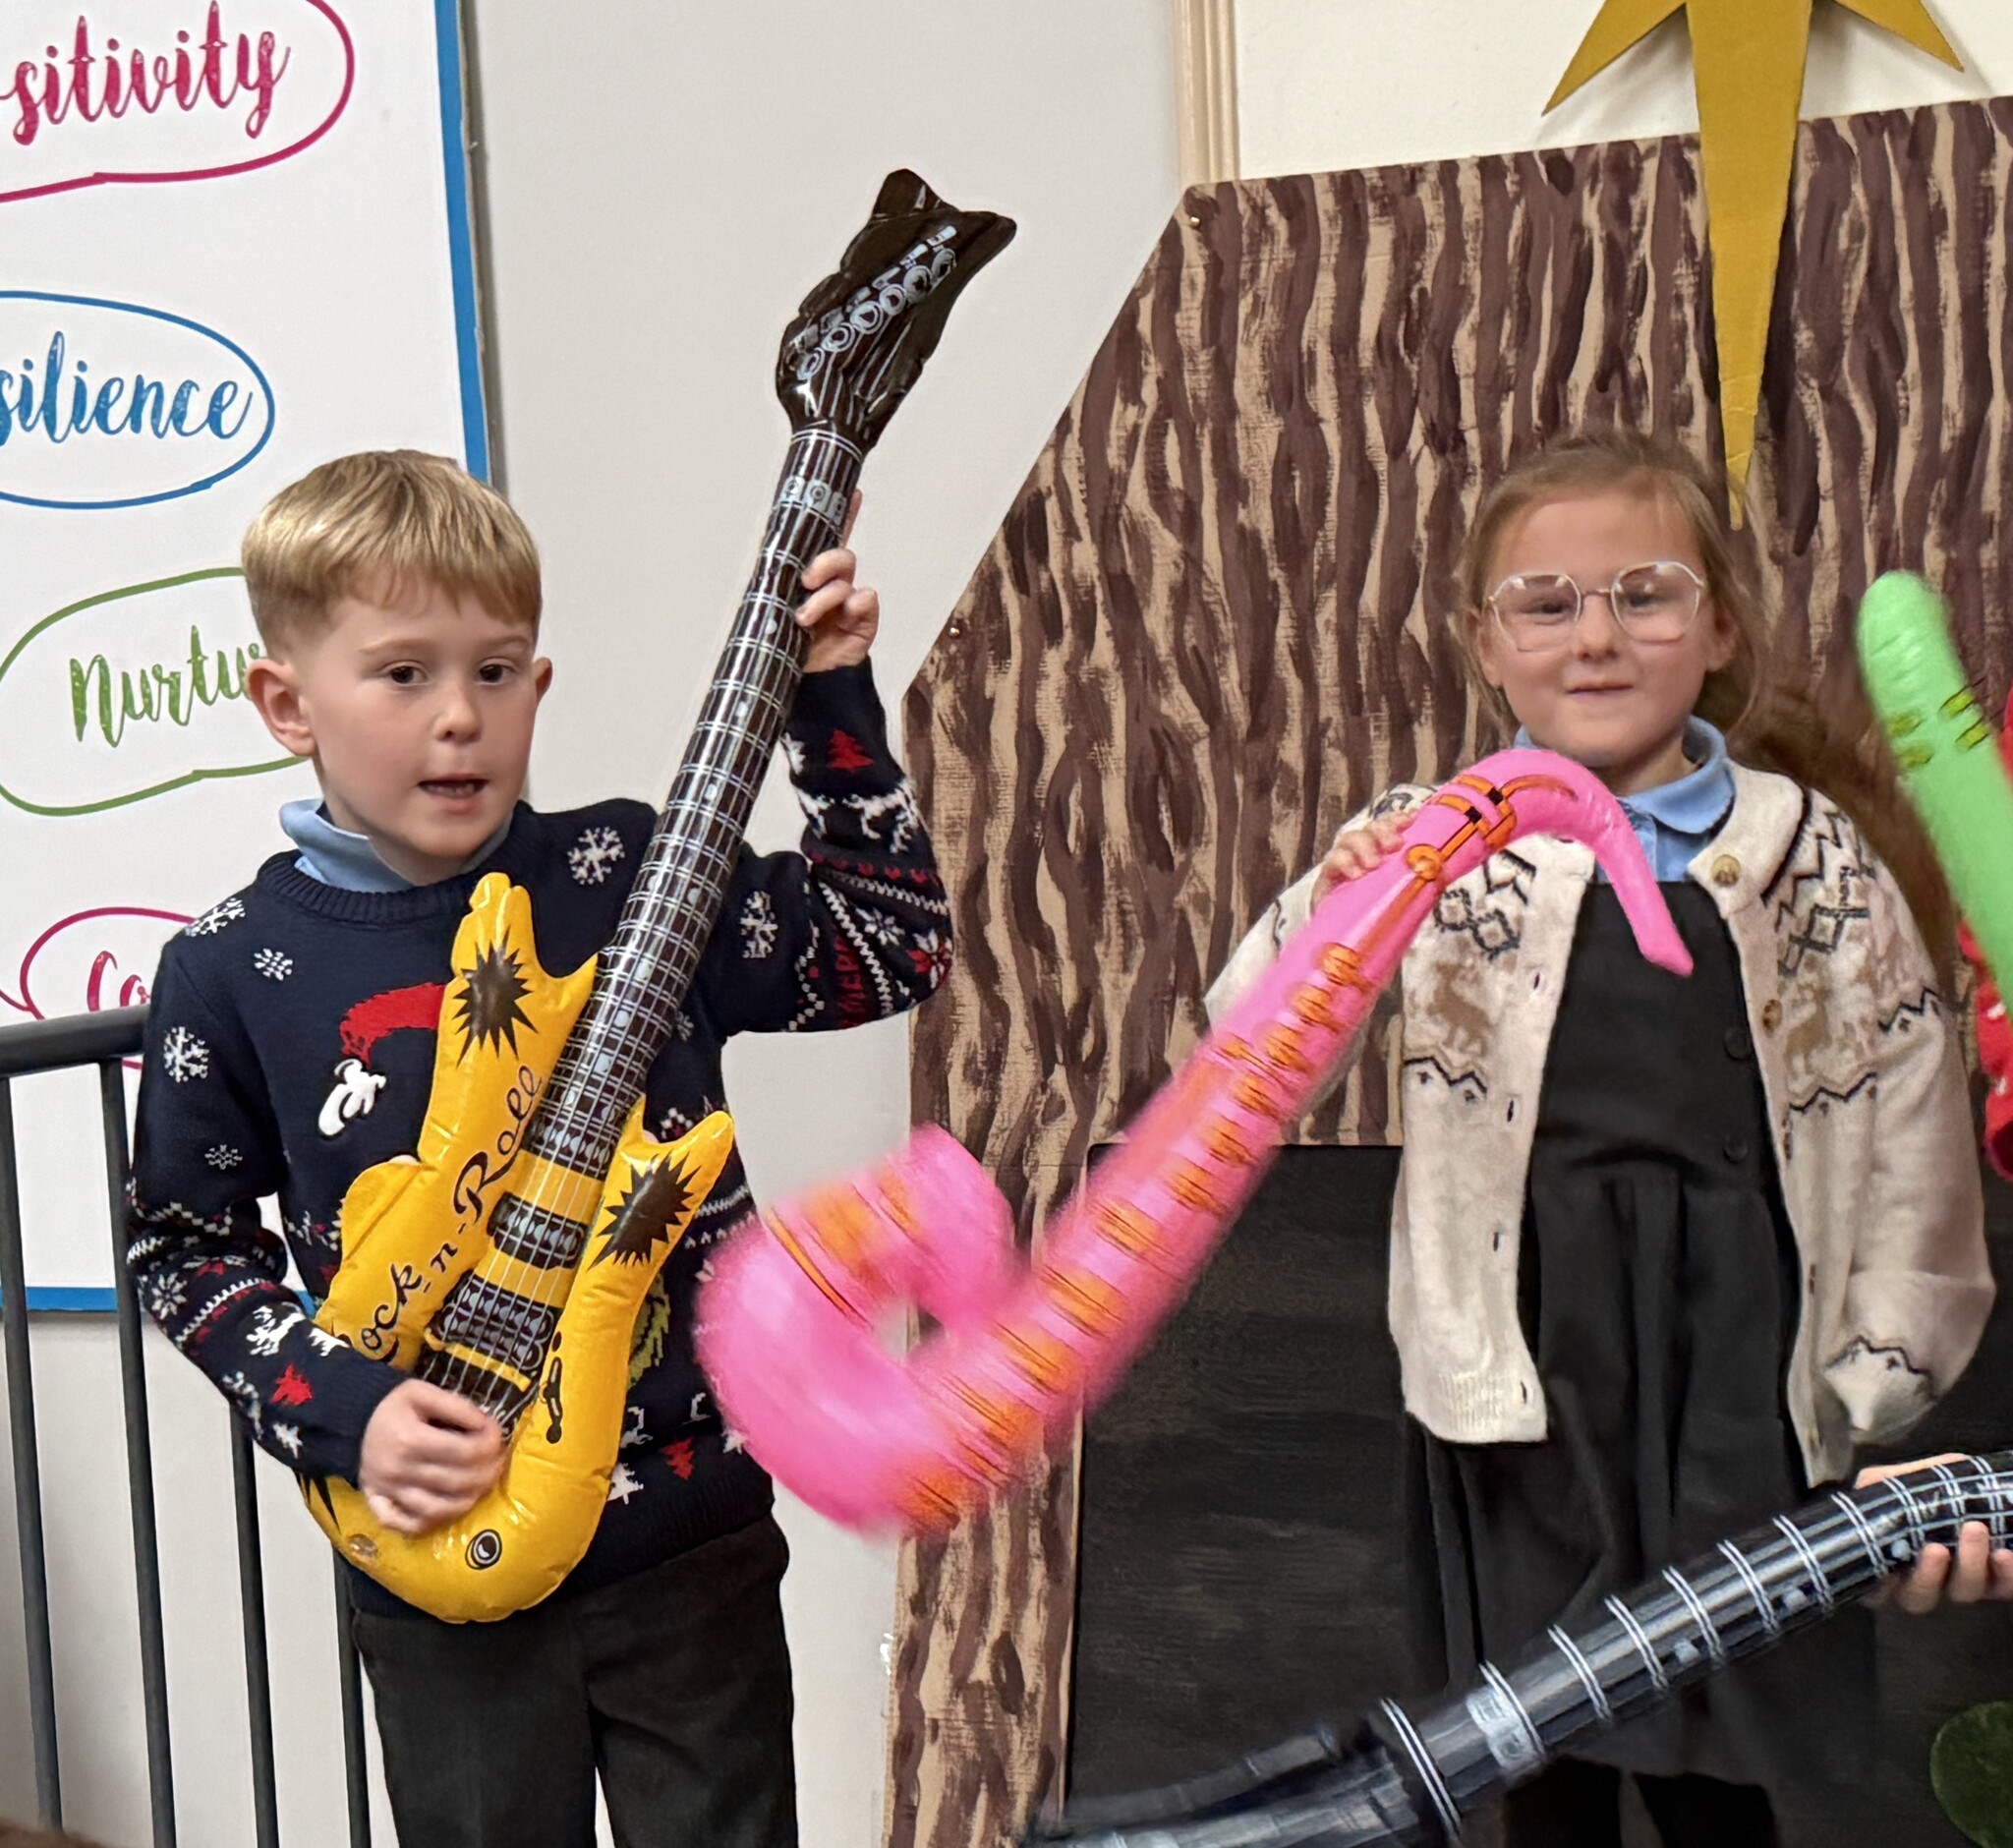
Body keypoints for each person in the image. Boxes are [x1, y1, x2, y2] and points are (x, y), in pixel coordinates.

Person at [124, 450, 951, 1848]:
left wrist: (829, 702)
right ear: (286, 704)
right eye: (404, 674)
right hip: (438, 1567)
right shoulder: (231, 968)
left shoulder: (632, 879)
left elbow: (891, 946)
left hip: (685, 1542)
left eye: (497, 671)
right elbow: (186, 1252)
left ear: (539, 684)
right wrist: (344, 1409)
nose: (461, 715)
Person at [1207, 428, 1991, 1847]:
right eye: (1547, 604)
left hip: (1738, 1370)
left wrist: (1888, 1355)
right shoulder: (1433, 844)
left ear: (1720, 627)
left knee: (1723, 1760)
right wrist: (1333, 909)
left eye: (1646, 595)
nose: (1597, 638)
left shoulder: (1812, 855)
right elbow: (1247, 1046)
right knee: (1537, 1755)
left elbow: (1909, 1103)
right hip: (1530, 1372)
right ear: (1485, 643)